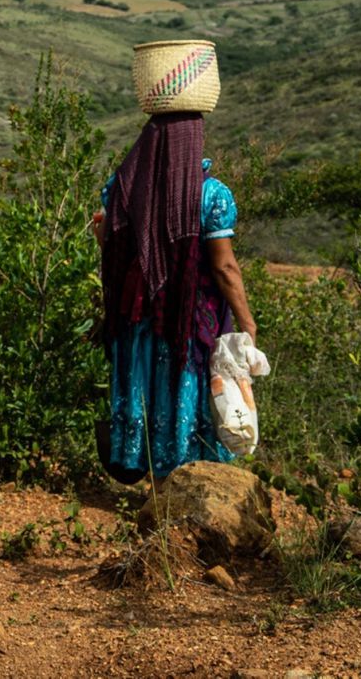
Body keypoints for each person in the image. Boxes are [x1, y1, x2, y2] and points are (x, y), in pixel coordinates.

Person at [93, 43, 256, 483]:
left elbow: (110, 245)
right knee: (186, 396)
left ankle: (151, 476)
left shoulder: (123, 188)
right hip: (186, 325)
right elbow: (223, 268)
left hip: (137, 323)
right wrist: (247, 322)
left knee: (144, 391)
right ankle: (185, 484)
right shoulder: (210, 196)